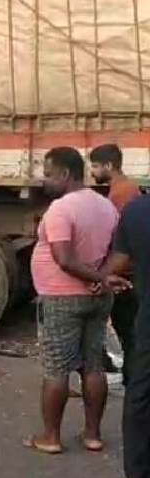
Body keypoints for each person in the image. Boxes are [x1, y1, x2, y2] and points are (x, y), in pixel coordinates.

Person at [24, 147, 118, 455]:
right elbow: (115, 251)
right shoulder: (106, 206)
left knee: (56, 368)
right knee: (93, 365)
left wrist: (94, 278)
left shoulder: (61, 209)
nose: (45, 180)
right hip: (98, 299)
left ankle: (50, 437)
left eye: (49, 174)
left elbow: (63, 258)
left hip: (62, 297)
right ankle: (92, 435)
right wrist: (102, 278)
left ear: (65, 174)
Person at [100, 194, 150, 478]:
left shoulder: (137, 210)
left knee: (141, 390)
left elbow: (117, 264)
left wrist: (105, 278)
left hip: (148, 319)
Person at [90, 143, 142, 383]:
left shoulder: (120, 194)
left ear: (109, 166)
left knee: (129, 332)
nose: (93, 171)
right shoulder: (126, 189)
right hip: (130, 272)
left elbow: (123, 240)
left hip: (126, 274)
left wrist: (104, 275)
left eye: (96, 166)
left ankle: (132, 380)